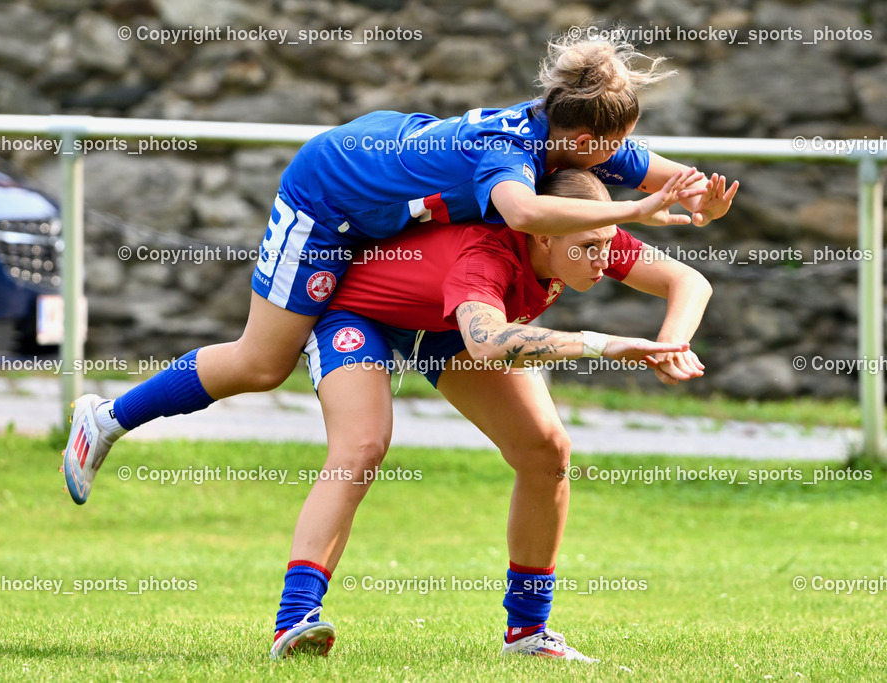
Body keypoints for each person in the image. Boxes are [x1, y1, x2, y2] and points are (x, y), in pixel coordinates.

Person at [61, 32, 737, 506]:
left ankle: (528, 630)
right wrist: (642, 210)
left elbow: (680, 182)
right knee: (264, 362)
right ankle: (107, 417)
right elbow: (524, 213)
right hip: (327, 195)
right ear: (586, 141)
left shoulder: (579, 144)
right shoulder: (509, 149)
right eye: (617, 150)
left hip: (385, 209)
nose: (625, 161)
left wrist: (698, 199)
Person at [267, 169, 716, 662]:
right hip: (363, 314)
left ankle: (527, 634)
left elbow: (688, 280)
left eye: (607, 242)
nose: (603, 257)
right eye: (590, 247)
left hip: (447, 320)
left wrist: (671, 346)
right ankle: (295, 622)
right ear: (543, 235)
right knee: (362, 447)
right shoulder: (489, 254)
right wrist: (600, 344)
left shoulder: (589, 231)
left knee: (546, 450)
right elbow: (486, 343)